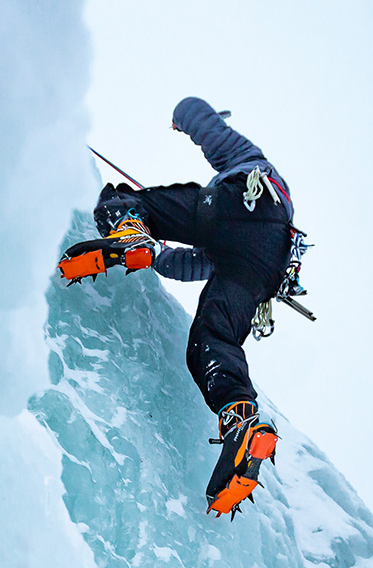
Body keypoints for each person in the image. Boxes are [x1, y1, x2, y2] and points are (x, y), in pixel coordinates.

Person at [60, 97, 294, 517]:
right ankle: (241, 419)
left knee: (131, 202)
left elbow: (208, 128)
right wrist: (154, 256)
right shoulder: (264, 238)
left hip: (244, 203)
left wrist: (182, 115)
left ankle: (129, 225)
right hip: (267, 268)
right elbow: (196, 264)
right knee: (212, 339)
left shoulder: (248, 159)